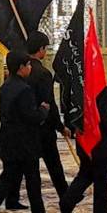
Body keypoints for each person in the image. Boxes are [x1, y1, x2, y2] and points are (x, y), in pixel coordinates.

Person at [0, 51, 57, 213]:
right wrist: (43, 110)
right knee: (32, 181)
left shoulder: (5, 87)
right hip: (25, 143)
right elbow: (31, 117)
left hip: (9, 140)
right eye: (28, 65)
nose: (30, 68)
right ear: (21, 67)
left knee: (7, 179)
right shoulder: (24, 90)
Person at [61, 82, 107, 213]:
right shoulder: (99, 88)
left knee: (85, 174)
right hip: (99, 140)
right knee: (101, 179)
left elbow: (69, 111)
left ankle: (67, 202)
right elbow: (105, 117)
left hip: (83, 138)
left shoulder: (76, 86)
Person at [25, 32, 69, 201]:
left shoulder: (22, 71)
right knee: (54, 164)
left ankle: (16, 198)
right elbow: (49, 103)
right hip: (44, 127)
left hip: (28, 126)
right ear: (41, 49)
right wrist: (60, 126)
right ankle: (65, 195)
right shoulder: (43, 73)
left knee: (27, 168)